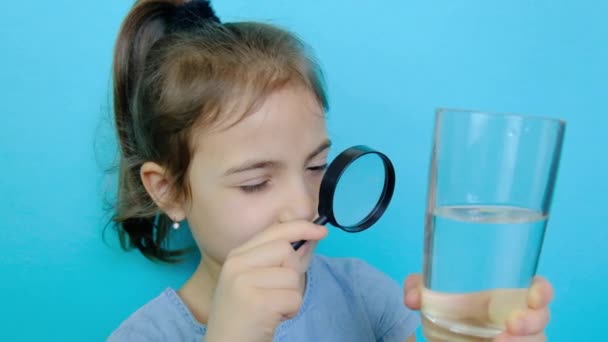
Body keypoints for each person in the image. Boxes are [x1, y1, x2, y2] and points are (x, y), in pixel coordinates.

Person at [107, 1, 553, 341]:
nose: (304, 204)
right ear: (168, 191)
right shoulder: (145, 335)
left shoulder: (364, 293)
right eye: (256, 182)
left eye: (317, 166)